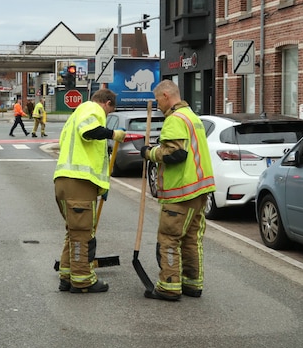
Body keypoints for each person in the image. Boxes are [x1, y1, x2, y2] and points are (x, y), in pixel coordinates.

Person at [139, 80, 215, 301]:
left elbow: (175, 154)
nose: (158, 105)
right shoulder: (192, 117)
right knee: (191, 238)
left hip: (181, 192)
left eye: (158, 100)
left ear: (165, 95)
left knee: (169, 238)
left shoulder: (174, 120)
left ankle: (169, 285)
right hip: (200, 190)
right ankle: (192, 283)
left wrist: (149, 153)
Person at [54, 89, 125, 294]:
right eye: (110, 112)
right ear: (107, 103)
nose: (107, 117)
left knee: (74, 232)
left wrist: (101, 186)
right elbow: (89, 132)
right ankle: (83, 280)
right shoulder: (91, 108)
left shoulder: (76, 115)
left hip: (66, 182)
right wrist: (113, 134)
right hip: (79, 183)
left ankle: (67, 277)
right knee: (83, 234)